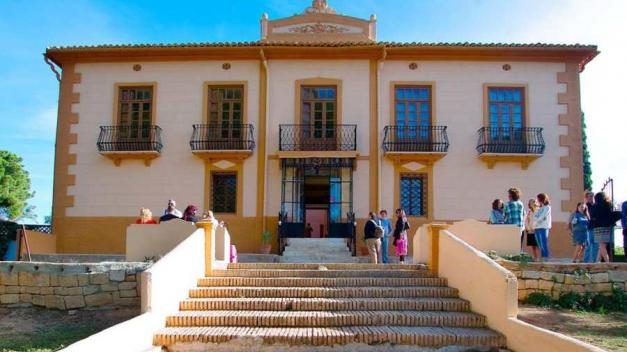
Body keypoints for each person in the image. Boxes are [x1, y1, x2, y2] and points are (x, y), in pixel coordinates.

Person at [589, 192, 616, 263]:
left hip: (598, 228)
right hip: (607, 227)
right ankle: (597, 262)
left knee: (601, 246)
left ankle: (607, 262)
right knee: (602, 246)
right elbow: (610, 214)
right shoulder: (608, 204)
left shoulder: (595, 206)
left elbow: (592, 216)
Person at [533, 193, 552, 260]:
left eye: (538, 198)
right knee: (540, 245)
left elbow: (542, 216)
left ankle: (545, 259)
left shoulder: (547, 207)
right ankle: (542, 259)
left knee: (544, 244)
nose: (537, 200)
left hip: (543, 227)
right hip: (536, 228)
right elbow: (535, 217)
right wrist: (536, 220)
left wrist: (537, 220)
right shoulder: (539, 208)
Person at [583, 191, 598, 263]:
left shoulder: (596, 206)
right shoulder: (585, 206)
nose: (592, 197)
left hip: (595, 227)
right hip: (588, 228)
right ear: (586, 198)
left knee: (595, 245)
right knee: (588, 245)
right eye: (590, 196)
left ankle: (594, 261)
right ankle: (586, 262)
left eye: (592, 196)